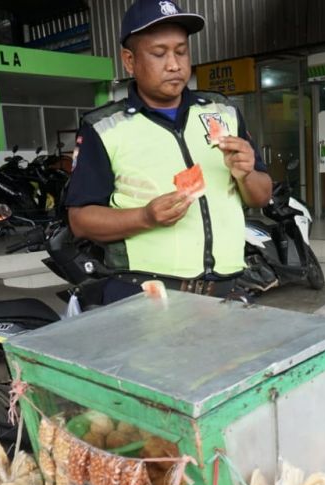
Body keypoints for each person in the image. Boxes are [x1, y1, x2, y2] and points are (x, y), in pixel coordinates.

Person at [64, 0, 272, 305]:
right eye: (159, 54)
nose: (174, 64)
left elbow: (262, 195)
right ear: (130, 61)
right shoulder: (103, 127)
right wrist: (145, 217)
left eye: (181, 51)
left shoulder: (222, 112)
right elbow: (81, 221)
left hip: (227, 291)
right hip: (145, 294)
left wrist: (247, 175)